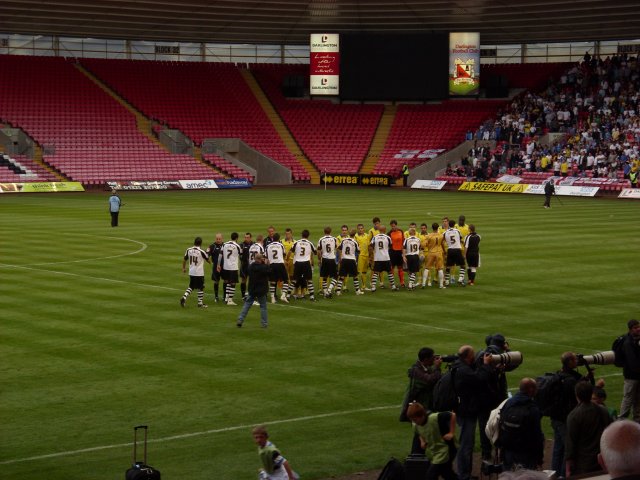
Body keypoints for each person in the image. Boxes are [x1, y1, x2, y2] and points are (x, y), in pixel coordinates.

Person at [454, 345, 495, 480]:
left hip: (465, 409)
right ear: (468, 357)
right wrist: (486, 365)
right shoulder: (464, 371)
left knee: (467, 444)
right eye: (472, 354)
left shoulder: (460, 365)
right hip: (467, 412)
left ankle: (465, 474)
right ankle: (464, 475)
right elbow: (480, 379)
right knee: (466, 445)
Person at [550, 352, 592, 479]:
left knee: (558, 447)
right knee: (568, 449)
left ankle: (554, 473)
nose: (577, 361)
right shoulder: (570, 380)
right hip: (564, 418)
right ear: (570, 362)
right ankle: (563, 475)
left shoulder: (559, 375)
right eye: (575, 360)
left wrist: (583, 379)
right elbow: (578, 395)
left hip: (555, 417)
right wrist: (586, 381)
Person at [565, 381, 612, 477]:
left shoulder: (574, 416)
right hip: (603, 459)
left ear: (576, 395)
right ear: (591, 393)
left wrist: (568, 464)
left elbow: (571, 443)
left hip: (584, 464)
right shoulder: (603, 410)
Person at [499, 378, 544, 470]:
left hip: (508, 450)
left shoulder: (508, 403)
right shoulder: (532, 409)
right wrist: (539, 458)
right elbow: (537, 436)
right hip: (525, 452)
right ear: (531, 390)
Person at [406, 402, 458, 480]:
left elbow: (452, 415)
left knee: (431, 475)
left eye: (415, 419)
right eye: (412, 420)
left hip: (446, 449)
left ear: (422, 416)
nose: (414, 422)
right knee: (447, 473)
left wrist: (451, 432)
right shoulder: (416, 425)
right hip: (436, 452)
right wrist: (422, 441)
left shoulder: (434, 418)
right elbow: (418, 432)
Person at [400, 347, 443, 425]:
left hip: (425, 403)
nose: (434, 359)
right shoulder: (416, 370)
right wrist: (437, 368)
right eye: (432, 357)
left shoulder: (426, 367)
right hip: (418, 405)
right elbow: (430, 380)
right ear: (426, 359)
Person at [236, 253, 271, 328]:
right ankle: (264, 323)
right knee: (263, 307)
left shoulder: (250, 266)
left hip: (252, 289)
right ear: (261, 259)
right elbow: (269, 272)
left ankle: (240, 319)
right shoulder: (264, 267)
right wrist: (267, 264)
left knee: (247, 305)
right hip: (261, 290)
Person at [616, 319, 640, 422]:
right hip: (631, 377)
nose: (638, 329)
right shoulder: (627, 343)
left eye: (639, 327)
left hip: (636, 376)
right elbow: (633, 362)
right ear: (630, 330)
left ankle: (637, 422)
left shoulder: (636, 340)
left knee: (638, 401)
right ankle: (621, 422)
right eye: (635, 328)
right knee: (628, 399)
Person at [180, 236, 210, 308]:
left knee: (191, 286)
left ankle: (184, 297)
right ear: (201, 243)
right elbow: (209, 261)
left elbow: (184, 260)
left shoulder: (188, 249)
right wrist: (208, 252)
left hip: (191, 272)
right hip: (199, 273)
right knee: (201, 287)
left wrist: (183, 268)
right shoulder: (201, 251)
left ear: (194, 242)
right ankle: (200, 303)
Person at [287, 229, 316, 301]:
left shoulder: (297, 242)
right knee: (309, 280)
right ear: (308, 236)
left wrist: (287, 259)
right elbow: (315, 252)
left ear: (301, 235)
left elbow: (290, 252)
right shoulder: (310, 243)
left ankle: (288, 295)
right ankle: (312, 296)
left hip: (298, 263)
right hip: (306, 263)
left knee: (294, 280)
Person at [369, 225, 397, 292]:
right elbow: (391, 247)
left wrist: (371, 256)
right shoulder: (387, 237)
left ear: (379, 230)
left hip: (378, 258)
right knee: (389, 272)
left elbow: (370, 247)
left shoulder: (375, 237)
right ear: (385, 230)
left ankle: (373, 287)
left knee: (375, 272)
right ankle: (393, 286)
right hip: (386, 257)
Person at [335, 229, 362, 295]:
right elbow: (358, 251)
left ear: (349, 234)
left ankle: (338, 291)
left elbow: (339, 248)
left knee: (342, 275)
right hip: (351, 260)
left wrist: (341, 255)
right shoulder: (355, 242)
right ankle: (357, 291)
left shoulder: (343, 240)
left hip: (344, 260)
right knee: (355, 276)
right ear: (354, 234)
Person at [265, 233, 290, 304]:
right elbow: (284, 255)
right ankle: (283, 295)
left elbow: (266, 257)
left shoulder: (268, 246)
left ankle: (273, 298)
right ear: (279, 239)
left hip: (272, 265)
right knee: (286, 280)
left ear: (273, 239)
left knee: (272, 282)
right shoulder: (281, 245)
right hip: (280, 264)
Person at [219, 232, 242, 306]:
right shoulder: (237, 246)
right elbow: (241, 255)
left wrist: (218, 264)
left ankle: (226, 298)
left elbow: (220, 254)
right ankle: (230, 300)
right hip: (233, 267)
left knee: (228, 282)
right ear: (237, 238)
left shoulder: (224, 244)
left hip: (225, 266)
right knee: (233, 283)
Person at [317, 226, 339, 297]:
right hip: (332, 259)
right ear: (330, 232)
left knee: (324, 276)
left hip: (324, 259)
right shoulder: (334, 239)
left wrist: (319, 259)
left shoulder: (321, 239)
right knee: (335, 276)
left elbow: (318, 251)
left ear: (324, 232)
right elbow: (337, 248)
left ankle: (325, 292)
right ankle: (329, 290)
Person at [443, 222, 466, 286]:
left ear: (449, 225)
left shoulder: (445, 232)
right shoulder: (457, 231)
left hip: (450, 250)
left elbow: (442, 240)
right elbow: (460, 238)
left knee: (448, 266)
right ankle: (460, 279)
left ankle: (447, 281)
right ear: (454, 225)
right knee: (463, 265)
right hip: (457, 250)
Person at [422, 222, 445, 289]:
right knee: (440, 268)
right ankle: (441, 285)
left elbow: (423, 245)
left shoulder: (429, 236)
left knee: (427, 268)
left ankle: (423, 284)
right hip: (439, 252)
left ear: (432, 228)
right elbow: (442, 244)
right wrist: (444, 252)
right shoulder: (441, 235)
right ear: (438, 228)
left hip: (431, 252)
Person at [206, 233, 224, 303]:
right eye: (217, 239)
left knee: (226, 280)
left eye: (219, 239)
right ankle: (216, 297)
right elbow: (206, 255)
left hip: (224, 266)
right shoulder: (212, 246)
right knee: (216, 281)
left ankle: (224, 296)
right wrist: (210, 262)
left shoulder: (225, 245)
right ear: (215, 239)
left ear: (222, 239)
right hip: (216, 267)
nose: (218, 240)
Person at [355, 223, 372, 292]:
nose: (360, 230)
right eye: (359, 228)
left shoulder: (367, 236)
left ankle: (364, 286)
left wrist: (370, 256)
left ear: (363, 229)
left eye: (361, 228)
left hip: (366, 255)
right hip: (360, 256)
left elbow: (369, 246)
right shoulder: (355, 237)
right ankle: (357, 287)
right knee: (359, 272)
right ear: (357, 229)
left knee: (364, 271)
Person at [388, 220, 405, 288]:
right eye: (392, 226)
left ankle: (402, 282)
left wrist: (403, 252)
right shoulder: (389, 233)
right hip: (393, 252)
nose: (393, 227)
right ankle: (392, 283)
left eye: (394, 226)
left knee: (400, 267)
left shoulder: (401, 231)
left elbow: (403, 241)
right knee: (392, 267)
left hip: (400, 251)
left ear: (396, 225)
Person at [239, 233, 254, 300]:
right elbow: (240, 255)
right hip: (244, 265)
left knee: (252, 279)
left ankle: (251, 293)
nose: (246, 239)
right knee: (243, 280)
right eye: (245, 237)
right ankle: (243, 295)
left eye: (247, 237)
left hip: (252, 265)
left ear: (250, 238)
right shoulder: (241, 245)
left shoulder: (254, 245)